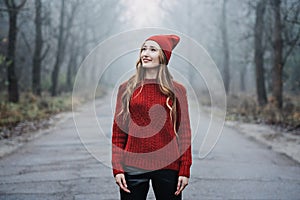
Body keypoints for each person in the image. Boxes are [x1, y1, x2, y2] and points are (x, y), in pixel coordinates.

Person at [112, 34, 192, 200]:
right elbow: (119, 133)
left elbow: (184, 133)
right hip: (133, 167)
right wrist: (117, 168)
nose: (145, 53)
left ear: (163, 57)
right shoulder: (126, 88)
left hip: (169, 167)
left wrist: (185, 169)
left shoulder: (177, 90)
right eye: (143, 48)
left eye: (153, 49)